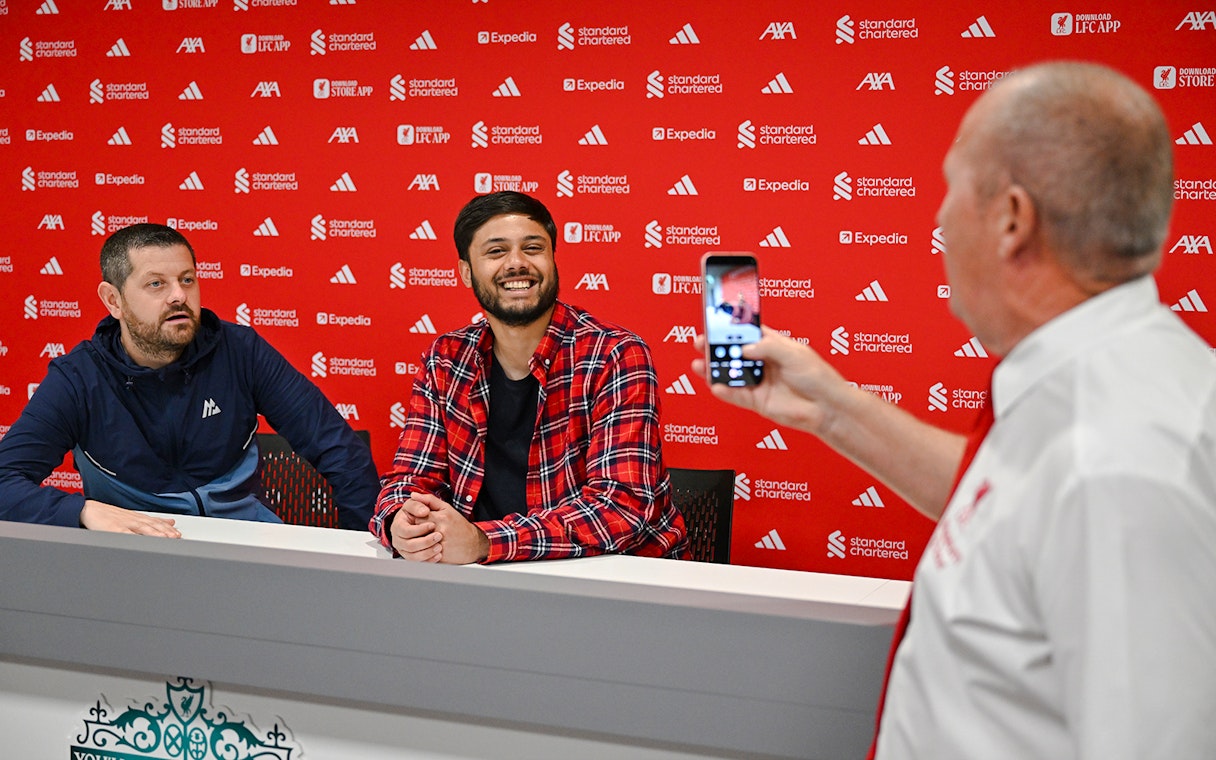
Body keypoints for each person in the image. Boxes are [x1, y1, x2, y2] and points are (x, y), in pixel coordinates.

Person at [693, 61, 1216, 759]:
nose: (938, 215)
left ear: (1010, 220)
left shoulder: (1119, 460)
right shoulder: (1087, 389)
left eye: (951, 186)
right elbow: (1011, 507)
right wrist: (832, 409)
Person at [0, 223, 380, 535]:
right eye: (156, 284)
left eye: (187, 279)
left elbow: (340, 450)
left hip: (245, 548)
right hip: (137, 555)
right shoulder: (79, 378)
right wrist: (82, 511)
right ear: (113, 300)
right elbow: (5, 479)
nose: (179, 296)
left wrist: (365, 552)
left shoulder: (240, 350)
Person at [372, 191, 688, 564]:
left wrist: (483, 541)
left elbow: (620, 508)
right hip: (488, 579)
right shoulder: (446, 359)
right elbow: (409, 479)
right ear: (465, 272)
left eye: (533, 248)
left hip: (615, 579)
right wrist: (401, 523)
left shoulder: (614, 355)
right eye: (496, 251)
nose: (517, 263)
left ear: (553, 260)